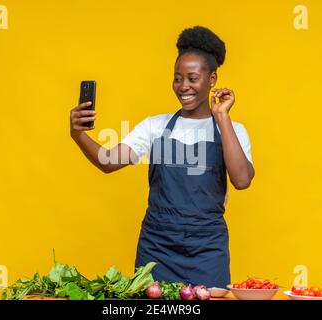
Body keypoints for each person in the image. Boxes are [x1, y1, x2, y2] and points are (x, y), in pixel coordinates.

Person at [70, 26, 254, 288]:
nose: (183, 86)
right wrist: (77, 134)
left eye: (192, 78)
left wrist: (222, 116)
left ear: (212, 79)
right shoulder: (155, 126)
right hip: (157, 250)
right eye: (177, 78)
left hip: (208, 251)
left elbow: (242, 179)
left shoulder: (233, 131)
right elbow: (107, 161)